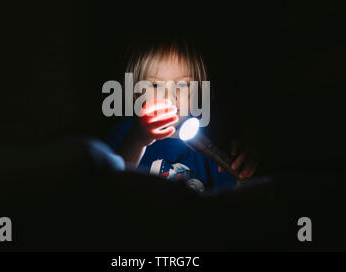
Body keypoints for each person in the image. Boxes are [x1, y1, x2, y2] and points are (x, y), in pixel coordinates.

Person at [105, 34, 257, 192]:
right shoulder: (123, 135)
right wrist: (137, 141)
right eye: (156, 85)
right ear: (137, 93)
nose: (170, 95)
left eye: (183, 84)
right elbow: (109, 187)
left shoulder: (212, 145)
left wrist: (242, 170)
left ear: (199, 90)